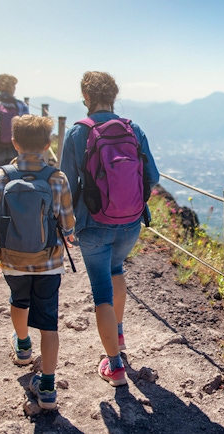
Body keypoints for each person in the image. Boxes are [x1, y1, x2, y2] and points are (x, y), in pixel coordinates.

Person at [60, 71, 159, 387]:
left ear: (86, 97)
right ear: (114, 96)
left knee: (101, 289)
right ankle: (118, 333)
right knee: (117, 270)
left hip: (93, 224)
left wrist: (66, 224)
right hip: (131, 224)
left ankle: (114, 367)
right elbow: (153, 177)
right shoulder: (133, 129)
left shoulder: (78, 133)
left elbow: (63, 185)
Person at [0, 114, 75, 409]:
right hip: (48, 262)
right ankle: (47, 387)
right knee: (48, 322)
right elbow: (69, 226)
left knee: (18, 300)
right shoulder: (57, 178)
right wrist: (66, 234)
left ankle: (22, 347)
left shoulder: (1, 176)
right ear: (48, 144)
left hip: (13, 259)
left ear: (14, 142)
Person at [0, 74, 30, 172]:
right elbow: (27, 127)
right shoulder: (21, 105)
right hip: (15, 146)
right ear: (12, 88)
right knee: (15, 176)